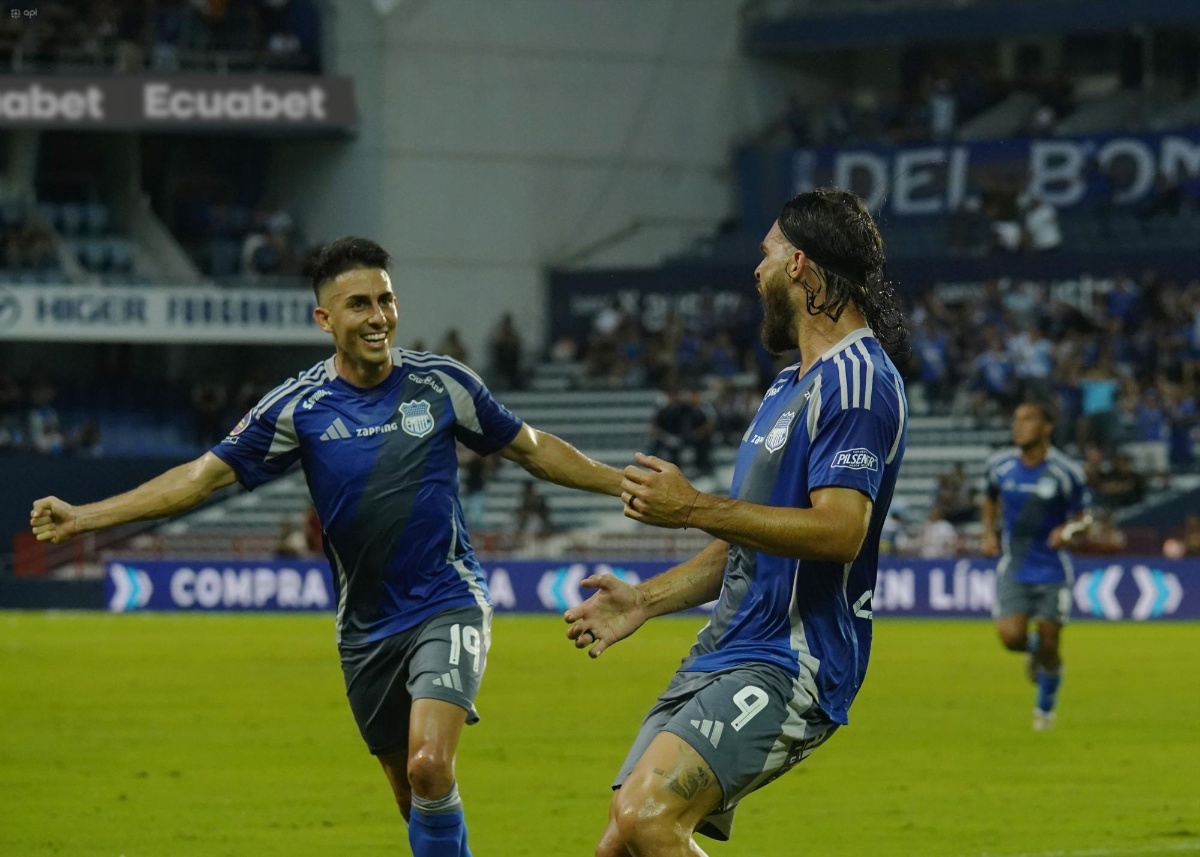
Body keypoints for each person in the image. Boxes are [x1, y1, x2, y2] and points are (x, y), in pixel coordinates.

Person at [30, 237, 624, 857]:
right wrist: (86, 517)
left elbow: (533, 449)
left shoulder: (441, 384)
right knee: (410, 796)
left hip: (446, 602)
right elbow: (201, 478)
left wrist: (624, 485)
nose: (378, 317)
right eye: (359, 304)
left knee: (429, 765)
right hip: (365, 630)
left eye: (386, 300)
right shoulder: (299, 406)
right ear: (325, 318)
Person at [563, 188, 910, 855]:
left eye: (767, 254)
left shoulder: (858, 381)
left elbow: (841, 532)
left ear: (799, 265)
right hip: (724, 649)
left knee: (648, 817)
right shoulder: (787, 386)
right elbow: (749, 542)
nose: (757, 271)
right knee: (621, 841)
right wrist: (646, 599)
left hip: (791, 659)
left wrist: (692, 506)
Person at [980, 400, 1092, 732]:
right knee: (1010, 637)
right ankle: (1034, 653)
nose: (1018, 426)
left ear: (1047, 428)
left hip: (1052, 569)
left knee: (1050, 642)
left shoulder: (1066, 471)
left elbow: (1085, 517)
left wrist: (1068, 531)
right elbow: (989, 497)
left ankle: (1045, 709)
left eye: (1027, 419)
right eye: (1016, 419)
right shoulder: (999, 466)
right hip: (1015, 567)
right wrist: (988, 533)